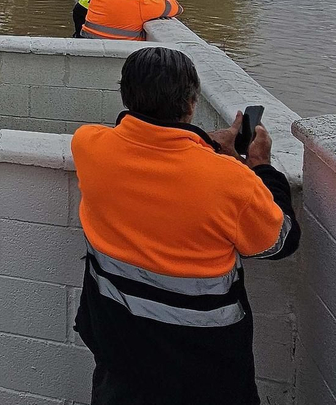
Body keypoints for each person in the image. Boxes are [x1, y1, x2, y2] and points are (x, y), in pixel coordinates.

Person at [71, 46, 300, 405]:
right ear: (191, 103)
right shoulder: (231, 181)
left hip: (118, 351)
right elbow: (280, 242)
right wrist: (262, 167)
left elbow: (138, 141)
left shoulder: (88, 146)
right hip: (202, 368)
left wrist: (204, 142)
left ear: (125, 95)